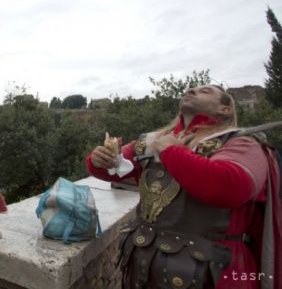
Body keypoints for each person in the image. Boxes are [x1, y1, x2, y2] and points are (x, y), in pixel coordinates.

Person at [86, 85, 281, 289]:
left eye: (205, 91)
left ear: (225, 109)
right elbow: (113, 169)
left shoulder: (241, 144)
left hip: (214, 272)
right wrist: (99, 160)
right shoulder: (153, 141)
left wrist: (171, 152)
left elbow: (231, 187)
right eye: (191, 89)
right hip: (144, 267)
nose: (192, 91)